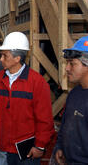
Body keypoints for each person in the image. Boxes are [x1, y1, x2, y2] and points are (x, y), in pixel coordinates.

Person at [0, 32, 55, 165]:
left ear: (17, 58)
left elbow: (45, 119)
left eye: (5, 55)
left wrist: (40, 145)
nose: (1, 59)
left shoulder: (37, 82)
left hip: (28, 151)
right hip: (7, 148)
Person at [54, 36, 88, 164]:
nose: (67, 68)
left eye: (72, 64)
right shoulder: (74, 93)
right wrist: (60, 147)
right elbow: (65, 125)